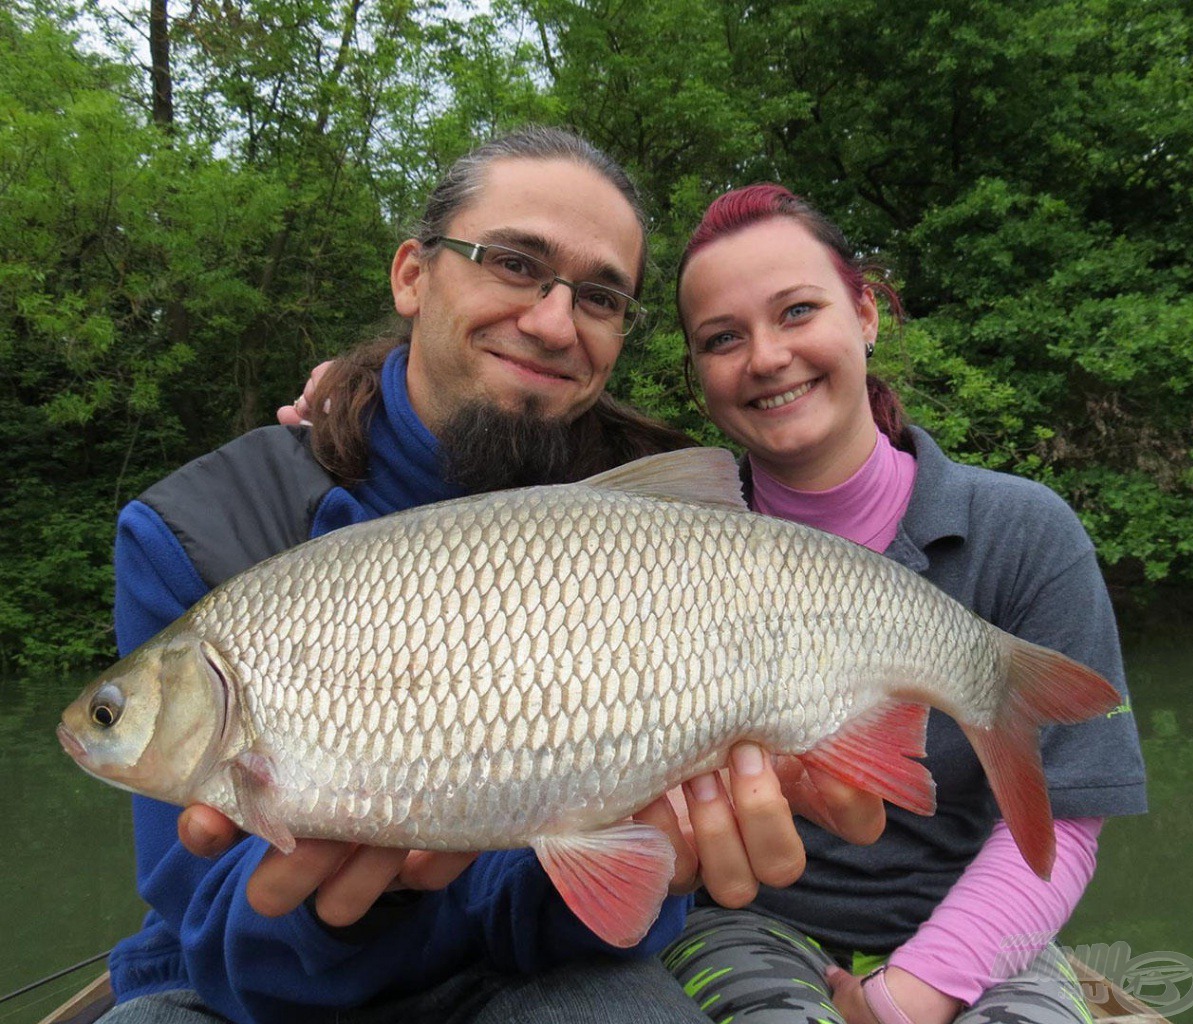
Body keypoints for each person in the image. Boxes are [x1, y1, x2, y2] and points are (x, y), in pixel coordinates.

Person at [103, 130, 881, 1024]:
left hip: (542, 963)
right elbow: (199, 917)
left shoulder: (659, 521)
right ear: (412, 276)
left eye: (599, 296)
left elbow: (620, 900)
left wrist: (651, 856)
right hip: (240, 985)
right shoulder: (191, 530)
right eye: (513, 262)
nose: (554, 322)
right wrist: (389, 895)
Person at [660, 184, 1148, 1024]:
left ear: (867, 316)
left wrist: (901, 1000)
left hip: (985, 928)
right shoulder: (658, 547)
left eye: (798, 311)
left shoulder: (1025, 530)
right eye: (722, 339)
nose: (767, 357)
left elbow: (1066, 821)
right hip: (746, 926)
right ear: (701, 375)